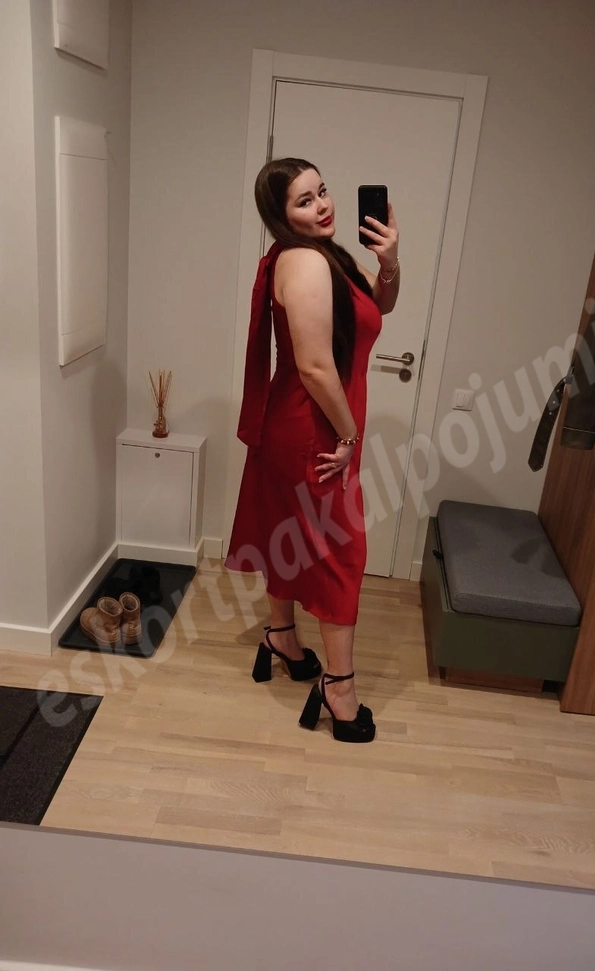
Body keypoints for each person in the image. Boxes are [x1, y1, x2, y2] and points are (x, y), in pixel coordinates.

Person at [225, 158, 400, 743]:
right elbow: (316, 366)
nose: (322, 205)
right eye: (304, 201)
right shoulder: (302, 262)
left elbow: (380, 306)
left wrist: (390, 262)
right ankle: (339, 689)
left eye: (322, 191)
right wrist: (348, 436)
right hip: (314, 427)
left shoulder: (326, 257)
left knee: (291, 532)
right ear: (280, 215)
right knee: (342, 553)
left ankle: (281, 636)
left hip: (306, 422)